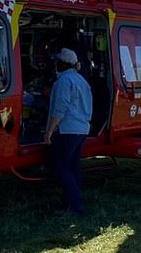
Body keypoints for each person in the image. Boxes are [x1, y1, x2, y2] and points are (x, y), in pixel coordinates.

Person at [44, 48, 93, 215]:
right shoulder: (81, 81)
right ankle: (72, 202)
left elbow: (60, 109)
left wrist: (49, 131)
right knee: (73, 167)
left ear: (61, 64)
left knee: (60, 168)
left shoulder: (63, 81)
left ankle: (75, 205)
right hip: (81, 130)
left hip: (66, 130)